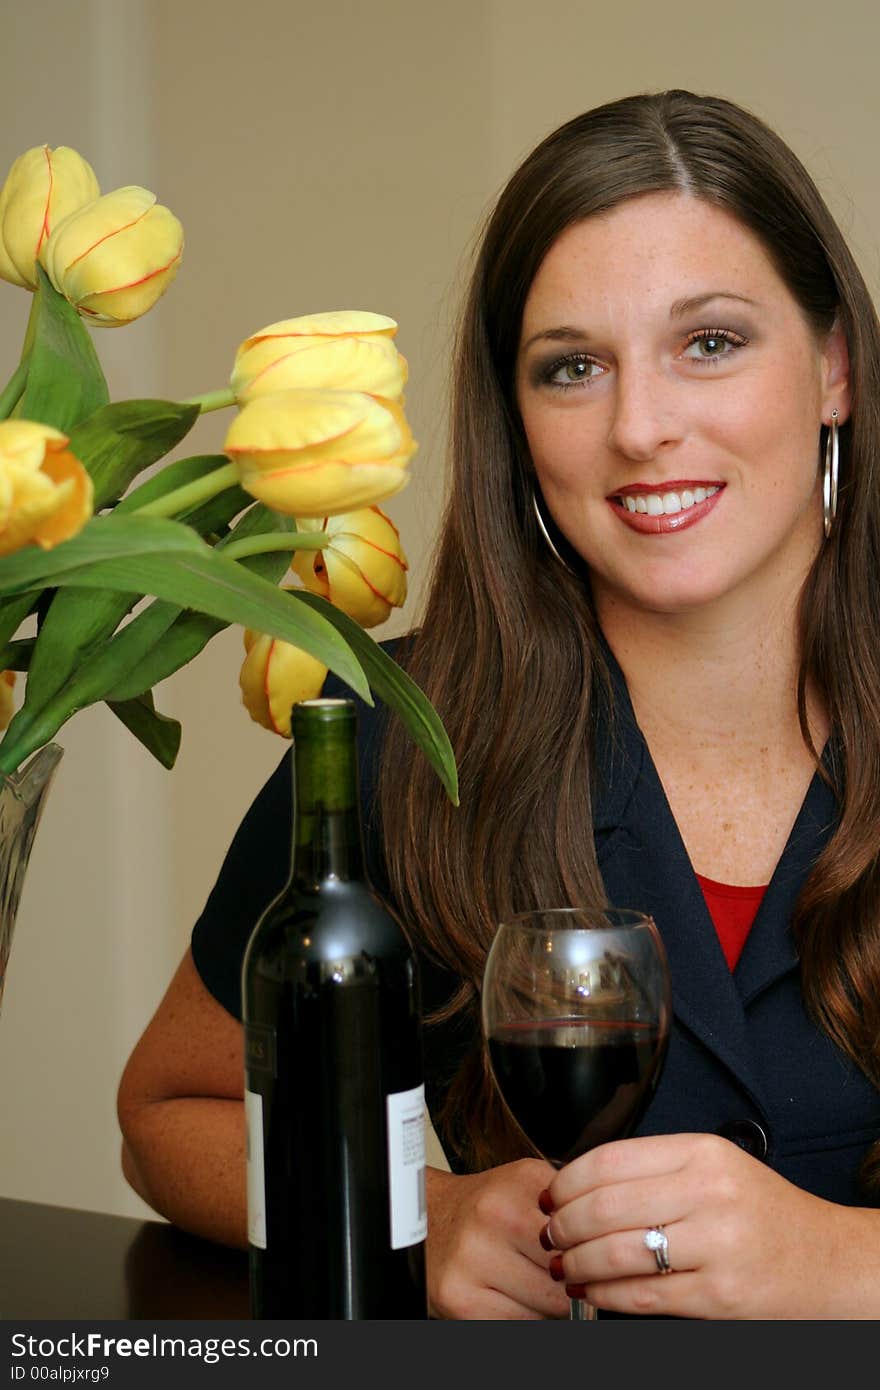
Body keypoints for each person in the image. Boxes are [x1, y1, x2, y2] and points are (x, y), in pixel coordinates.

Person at [117, 89, 880, 1319]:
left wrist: (846, 1266)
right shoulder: (399, 736)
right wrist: (425, 1216)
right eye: (571, 367)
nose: (640, 427)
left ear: (834, 366)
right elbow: (166, 1117)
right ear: (516, 421)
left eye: (711, 342)